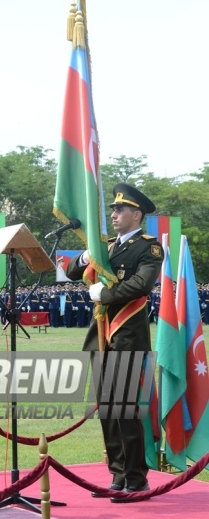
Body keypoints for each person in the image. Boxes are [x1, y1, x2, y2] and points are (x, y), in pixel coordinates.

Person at [66, 182, 164, 500]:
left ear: (137, 214)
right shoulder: (105, 248)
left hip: (128, 335)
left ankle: (136, 478)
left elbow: (141, 284)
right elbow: (70, 271)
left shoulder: (149, 248)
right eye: (113, 209)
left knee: (125, 407)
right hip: (102, 336)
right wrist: (84, 254)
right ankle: (118, 474)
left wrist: (104, 293)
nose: (114, 214)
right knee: (107, 407)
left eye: (120, 209)